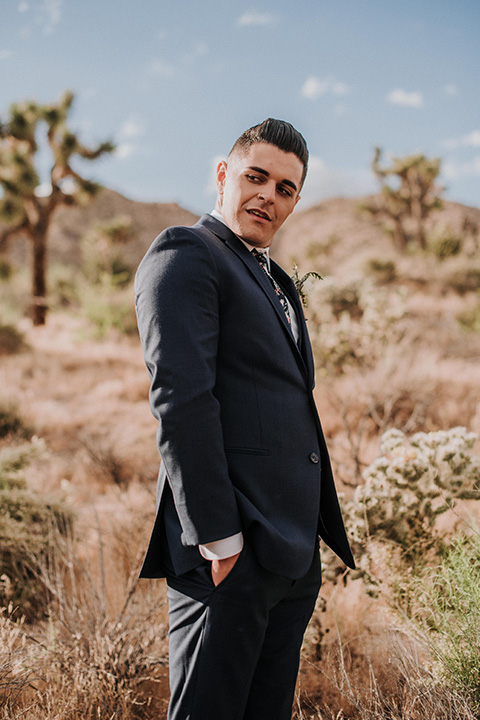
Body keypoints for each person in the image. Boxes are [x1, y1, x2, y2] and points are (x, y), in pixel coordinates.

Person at [134, 118, 355, 720]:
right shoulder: (186, 254)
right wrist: (221, 541)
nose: (269, 196)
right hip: (229, 551)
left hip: (288, 552)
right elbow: (182, 400)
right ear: (223, 174)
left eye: (286, 188)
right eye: (256, 177)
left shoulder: (273, 277)